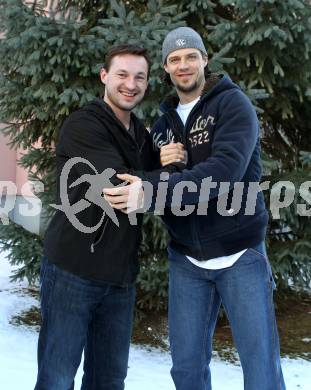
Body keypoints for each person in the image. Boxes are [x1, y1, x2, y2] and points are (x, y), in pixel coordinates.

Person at [103, 28, 286, 390]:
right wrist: (159, 163)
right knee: (186, 371)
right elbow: (142, 181)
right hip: (186, 260)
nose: (183, 65)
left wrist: (154, 187)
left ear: (205, 59)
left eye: (190, 57)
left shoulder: (233, 105)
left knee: (260, 370)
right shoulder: (162, 125)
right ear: (167, 68)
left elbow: (224, 173)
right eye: (174, 59)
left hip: (240, 255)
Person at [34, 44, 183, 390]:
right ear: (104, 76)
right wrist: (168, 171)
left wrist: (166, 161)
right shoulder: (83, 125)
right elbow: (119, 187)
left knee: (109, 380)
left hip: (119, 279)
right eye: (122, 74)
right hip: (73, 271)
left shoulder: (139, 133)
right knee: (57, 378)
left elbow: (146, 178)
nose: (130, 84)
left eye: (139, 77)